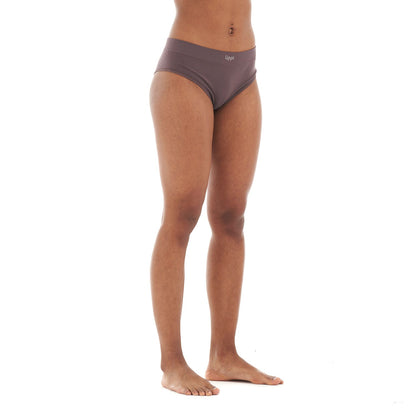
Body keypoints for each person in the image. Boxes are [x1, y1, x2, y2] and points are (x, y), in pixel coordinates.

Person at [149, 0, 284, 396]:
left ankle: (224, 354)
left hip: (243, 72)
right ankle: (172, 363)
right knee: (182, 215)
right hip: (186, 69)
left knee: (230, 217)